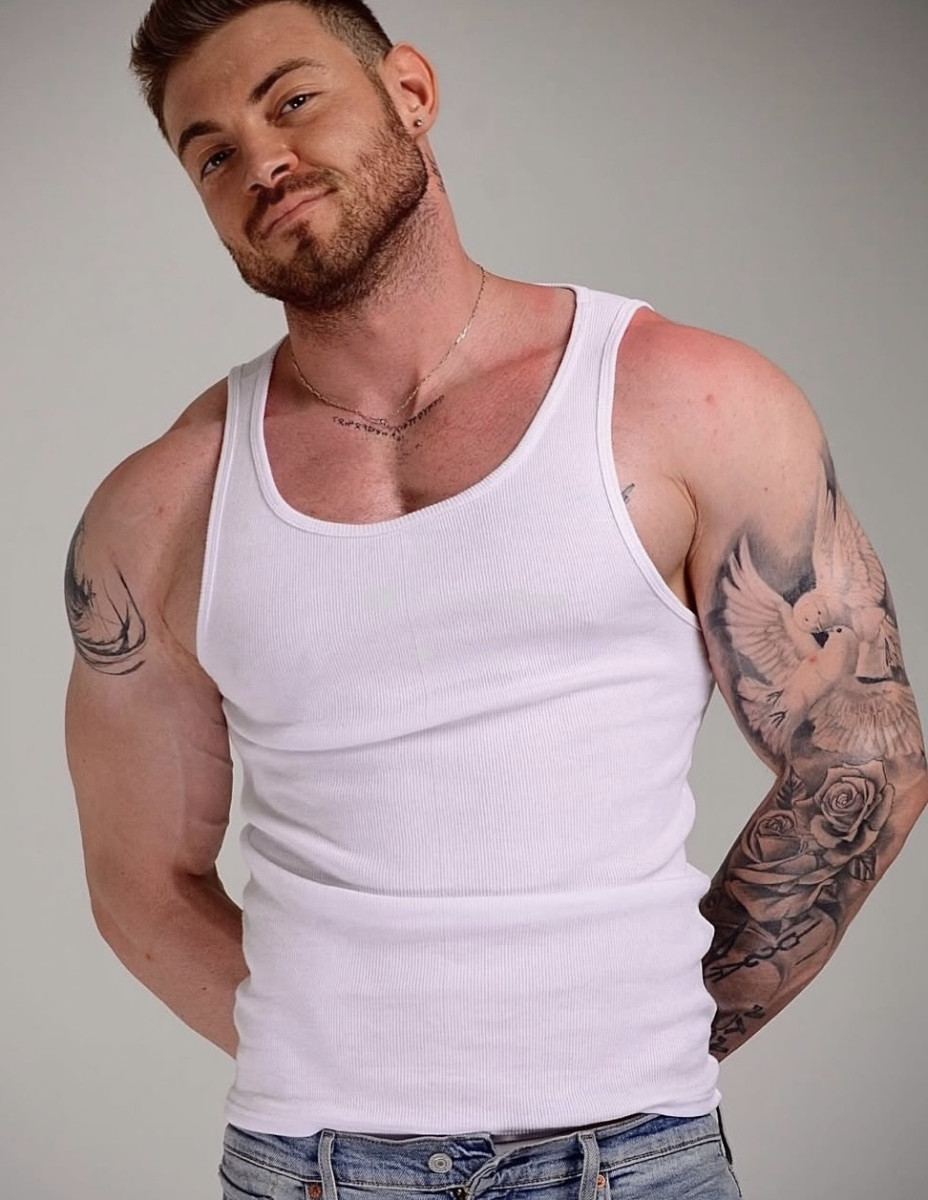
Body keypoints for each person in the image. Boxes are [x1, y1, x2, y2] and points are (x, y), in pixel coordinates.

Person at [63, 2, 927, 1197]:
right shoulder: (161, 508)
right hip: (311, 1165)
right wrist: (326, 1053)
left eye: (292, 99)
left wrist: (650, 1033)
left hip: (634, 1157)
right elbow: (138, 878)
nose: (260, 160)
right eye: (210, 152)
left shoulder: (683, 400)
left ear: (409, 92)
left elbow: (864, 759)